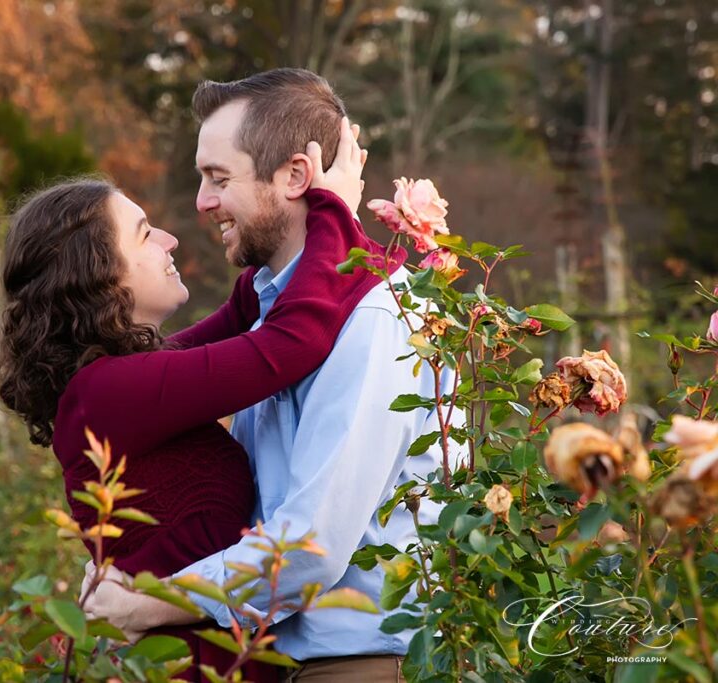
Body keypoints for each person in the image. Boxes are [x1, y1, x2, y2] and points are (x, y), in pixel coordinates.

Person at [84, 68, 464, 682]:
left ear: (293, 176)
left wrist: (150, 601)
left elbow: (311, 541)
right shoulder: (274, 310)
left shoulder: (370, 315)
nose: (202, 203)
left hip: (361, 664)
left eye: (218, 178)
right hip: (278, 656)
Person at [0, 118, 402, 681]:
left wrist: (291, 218)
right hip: (193, 666)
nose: (170, 238)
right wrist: (332, 208)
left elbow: (255, 305)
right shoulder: (112, 392)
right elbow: (285, 343)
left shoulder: (124, 379)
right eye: (144, 233)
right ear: (99, 274)